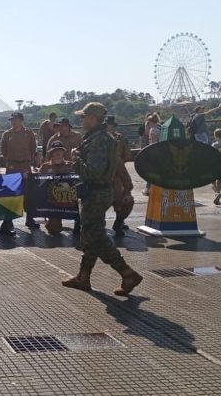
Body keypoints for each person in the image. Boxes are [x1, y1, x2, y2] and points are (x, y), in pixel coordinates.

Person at [63, 102, 142, 296]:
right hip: (98, 192)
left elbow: (94, 172)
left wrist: (75, 158)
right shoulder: (98, 137)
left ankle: (127, 273)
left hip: (96, 192)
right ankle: (83, 276)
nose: (82, 120)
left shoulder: (98, 140)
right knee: (90, 234)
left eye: (84, 116)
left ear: (93, 118)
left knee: (96, 236)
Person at [0, 112, 38, 234]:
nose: (13, 122)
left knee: (28, 193)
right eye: (11, 120)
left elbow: (33, 149)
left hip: (25, 166)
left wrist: (28, 160)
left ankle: (30, 218)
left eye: (15, 119)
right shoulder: (7, 134)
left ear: (21, 120)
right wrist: (11, 160)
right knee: (11, 194)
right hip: (12, 166)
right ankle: (8, 221)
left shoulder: (29, 133)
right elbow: (3, 150)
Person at [39, 141, 79, 235]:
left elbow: (79, 179)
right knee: (54, 230)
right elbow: (37, 182)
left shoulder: (70, 165)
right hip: (52, 200)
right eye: (55, 151)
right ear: (51, 153)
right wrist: (29, 177)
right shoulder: (45, 167)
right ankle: (52, 222)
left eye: (60, 151)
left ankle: (78, 223)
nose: (57, 153)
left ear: (63, 152)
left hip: (68, 198)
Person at [106, 116, 134, 236]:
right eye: (107, 125)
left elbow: (128, 155)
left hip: (117, 175)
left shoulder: (121, 138)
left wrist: (116, 162)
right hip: (101, 182)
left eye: (111, 125)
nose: (109, 127)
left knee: (124, 200)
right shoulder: (97, 139)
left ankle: (119, 221)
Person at [143, 113, 161, 196]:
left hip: (153, 152)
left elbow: (153, 143)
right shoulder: (160, 128)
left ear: (150, 122)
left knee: (150, 171)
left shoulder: (153, 130)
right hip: (160, 152)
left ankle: (148, 189)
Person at [212, 128, 221, 205]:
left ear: (215, 136)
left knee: (217, 181)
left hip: (218, 165)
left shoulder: (214, 145)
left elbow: (212, 155)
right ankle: (217, 197)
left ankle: (217, 193)